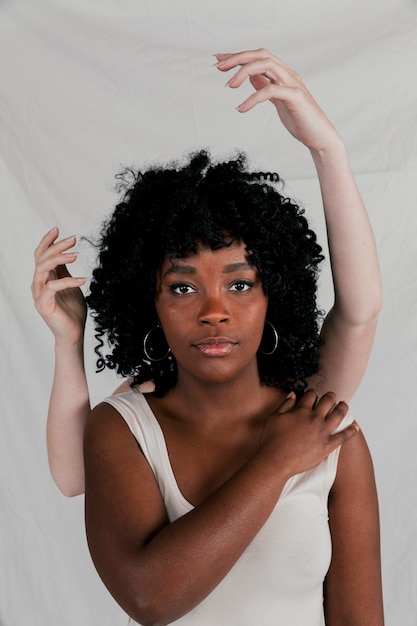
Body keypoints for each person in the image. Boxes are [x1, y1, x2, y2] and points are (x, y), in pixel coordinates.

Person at [32, 48, 384, 624]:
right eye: (182, 288)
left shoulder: (320, 425)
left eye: (241, 284)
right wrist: (274, 462)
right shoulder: (125, 428)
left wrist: (328, 149)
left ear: (276, 295)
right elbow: (150, 597)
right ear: (149, 301)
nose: (214, 311)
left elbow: (359, 312)